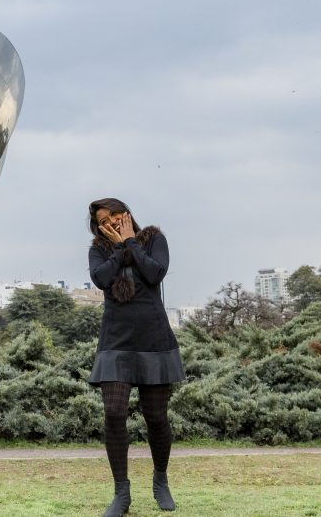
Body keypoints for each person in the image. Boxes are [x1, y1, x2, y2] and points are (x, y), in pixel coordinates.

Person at [86, 197, 184, 516]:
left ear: (126, 213)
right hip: (116, 340)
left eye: (115, 214)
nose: (111, 221)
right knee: (114, 412)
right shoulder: (99, 249)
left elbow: (155, 273)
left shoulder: (153, 239)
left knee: (156, 416)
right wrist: (117, 247)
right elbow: (101, 279)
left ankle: (161, 480)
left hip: (153, 337)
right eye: (104, 220)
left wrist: (130, 242)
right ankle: (121, 494)